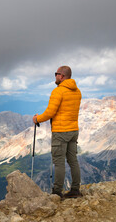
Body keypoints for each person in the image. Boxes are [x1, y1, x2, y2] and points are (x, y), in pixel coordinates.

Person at [33, 66, 82, 198]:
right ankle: (75, 190)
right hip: (73, 130)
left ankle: (57, 192)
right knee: (73, 161)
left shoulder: (58, 91)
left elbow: (50, 112)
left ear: (62, 76)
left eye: (56, 74)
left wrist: (37, 119)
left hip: (60, 132)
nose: (55, 76)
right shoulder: (77, 92)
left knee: (59, 162)